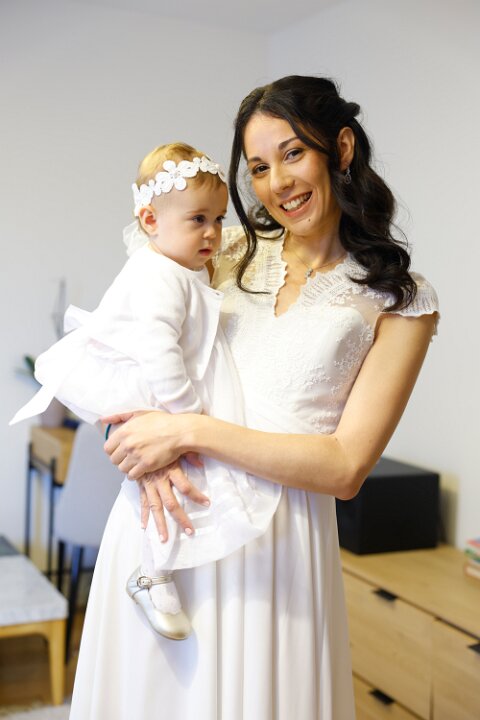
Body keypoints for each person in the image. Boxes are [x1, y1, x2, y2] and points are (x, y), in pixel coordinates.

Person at [70, 76, 439, 719]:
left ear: (341, 147)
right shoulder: (222, 246)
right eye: (260, 167)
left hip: (280, 544)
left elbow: (347, 468)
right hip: (170, 523)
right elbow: (123, 342)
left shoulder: (399, 299)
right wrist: (130, 437)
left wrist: (186, 431)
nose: (278, 184)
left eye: (293, 154)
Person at [11, 142, 282, 641]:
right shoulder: (160, 275)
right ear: (151, 220)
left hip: (158, 389)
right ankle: (153, 574)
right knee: (167, 484)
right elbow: (160, 351)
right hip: (148, 389)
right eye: (198, 219)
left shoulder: (180, 266)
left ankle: (159, 571)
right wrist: (189, 417)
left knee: (175, 484)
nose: (212, 232)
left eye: (218, 219)